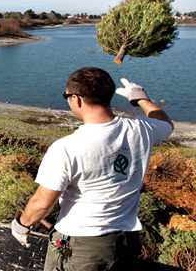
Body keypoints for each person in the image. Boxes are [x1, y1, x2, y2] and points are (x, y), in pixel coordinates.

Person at [10, 67, 173, 271]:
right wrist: (140, 98)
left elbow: (42, 203)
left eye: (66, 96)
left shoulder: (67, 148)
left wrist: (22, 225)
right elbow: (165, 123)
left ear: (76, 99)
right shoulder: (140, 130)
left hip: (82, 248)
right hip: (125, 241)